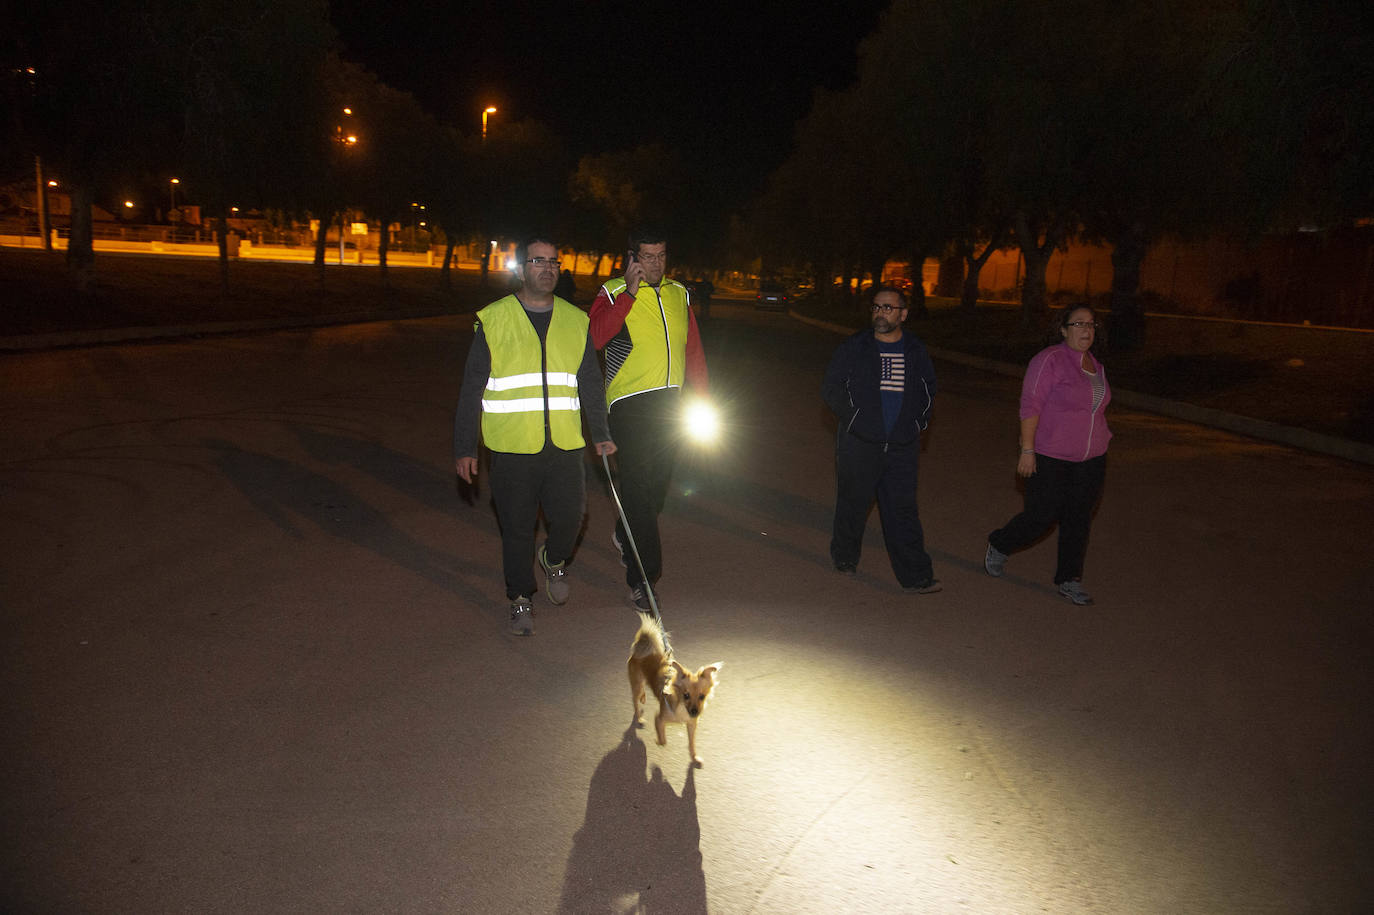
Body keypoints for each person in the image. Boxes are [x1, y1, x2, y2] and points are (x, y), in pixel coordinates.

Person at [454, 237, 616, 635]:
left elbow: (591, 384)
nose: (547, 268)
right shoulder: (494, 319)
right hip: (511, 446)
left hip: (564, 445)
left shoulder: (576, 321)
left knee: (571, 518)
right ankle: (520, 598)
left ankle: (554, 559)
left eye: (553, 262)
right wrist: (464, 446)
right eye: (537, 261)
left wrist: (601, 433)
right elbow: (472, 387)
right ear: (521, 269)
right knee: (517, 527)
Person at [590, 231, 709, 610]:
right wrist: (628, 293)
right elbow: (595, 337)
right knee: (639, 491)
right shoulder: (611, 291)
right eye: (647, 256)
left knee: (655, 489)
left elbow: (693, 348)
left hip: (671, 406)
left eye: (661, 256)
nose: (655, 263)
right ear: (632, 258)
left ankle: (626, 534)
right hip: (629, 405)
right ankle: (644, 579)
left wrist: (703, 396)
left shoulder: (679, 293)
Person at [984, 304, 1111, 606]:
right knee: (1041, 516)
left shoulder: (1096, 365)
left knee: (1078, 519)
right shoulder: (1048, 360)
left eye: (1091, 324)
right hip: (1050, 455)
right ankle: (1000, 543)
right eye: (1078, 324)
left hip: (1092, 459)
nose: (1086, 330)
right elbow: (1030, 405)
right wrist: (1027, 450)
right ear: (1063, 329)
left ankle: (1069, 579)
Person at [822, 285, 941, 594]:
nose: (880, 313)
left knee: (902, 510)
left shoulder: (915, 349)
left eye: (888, 308)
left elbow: (928, 390)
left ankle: (916, 575)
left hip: (902, 446)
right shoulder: (855, 346)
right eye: (876, 307)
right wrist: (857, 421)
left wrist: (916, 424)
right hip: (859, 443)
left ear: (903, 314)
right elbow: (832, 387)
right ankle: (845, 557)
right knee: (853, 504)